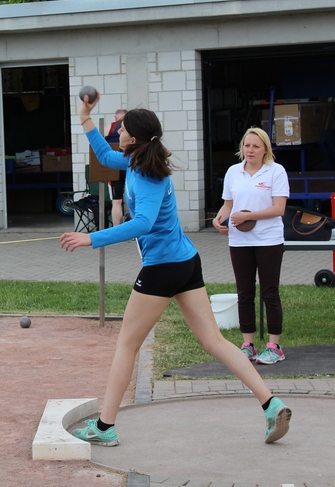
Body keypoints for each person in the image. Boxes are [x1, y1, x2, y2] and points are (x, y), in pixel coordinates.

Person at [59, 90, 291, 447]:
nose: (118, 132)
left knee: (126, 346)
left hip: (163, 268)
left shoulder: (145, 175)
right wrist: (85, 116)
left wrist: (92, 238)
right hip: (185, 262)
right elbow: (104, 155)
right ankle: (270, 404)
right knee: (214, 341)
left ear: (134, 137)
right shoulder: (137, 160)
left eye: (122, 128)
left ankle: (105, 427)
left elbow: (143, 223)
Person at [213, 128, 289, 365]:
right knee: (244, 293)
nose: (250, 150)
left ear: (265, 149)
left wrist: (248, 216)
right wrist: (219, 218)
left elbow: (279, 208)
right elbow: (228, 205)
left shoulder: (276, 171)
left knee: (270, 292)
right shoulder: (233, 172)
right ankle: (248, 345)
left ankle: (274, 347)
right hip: (239, 240)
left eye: (256, 146)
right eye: (247, 145)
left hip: (269, 240)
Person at [105, 109, 128, 226]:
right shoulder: (132, 127)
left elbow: (101, 146)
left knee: (117, 201)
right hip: (129, 165)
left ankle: (116, 229)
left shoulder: (110, 127)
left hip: (116, 166)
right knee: (136, 199)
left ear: (115, 118)